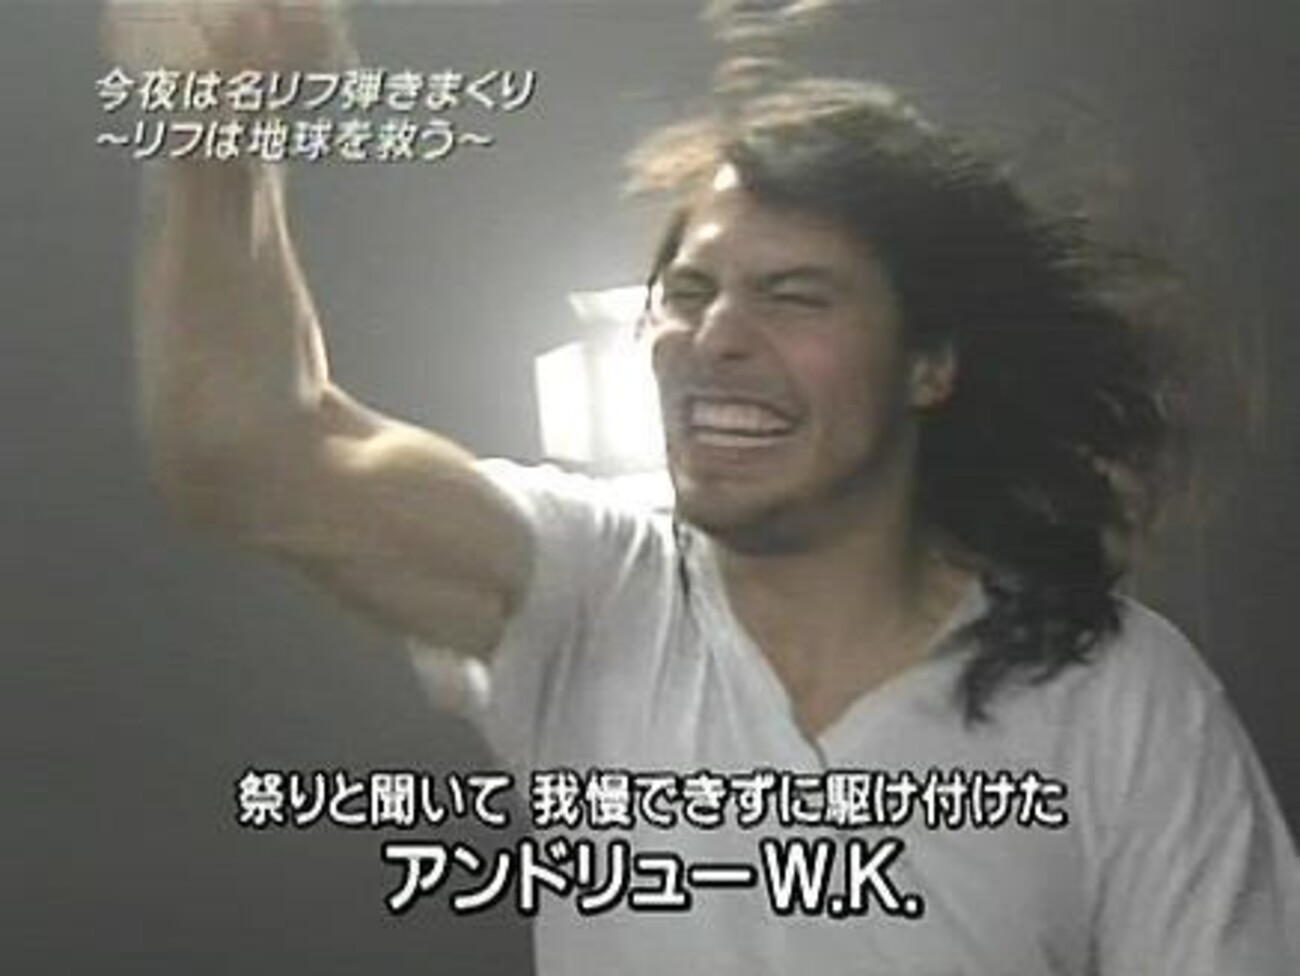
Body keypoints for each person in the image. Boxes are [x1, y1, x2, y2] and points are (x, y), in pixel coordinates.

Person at [110, 2, 1298, 973]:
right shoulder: (593, 587)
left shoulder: (1115, 698)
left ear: (928, 364)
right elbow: (249, 454)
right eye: (688, 294)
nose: (713, 336)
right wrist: (215, 134)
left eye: (793, 295)